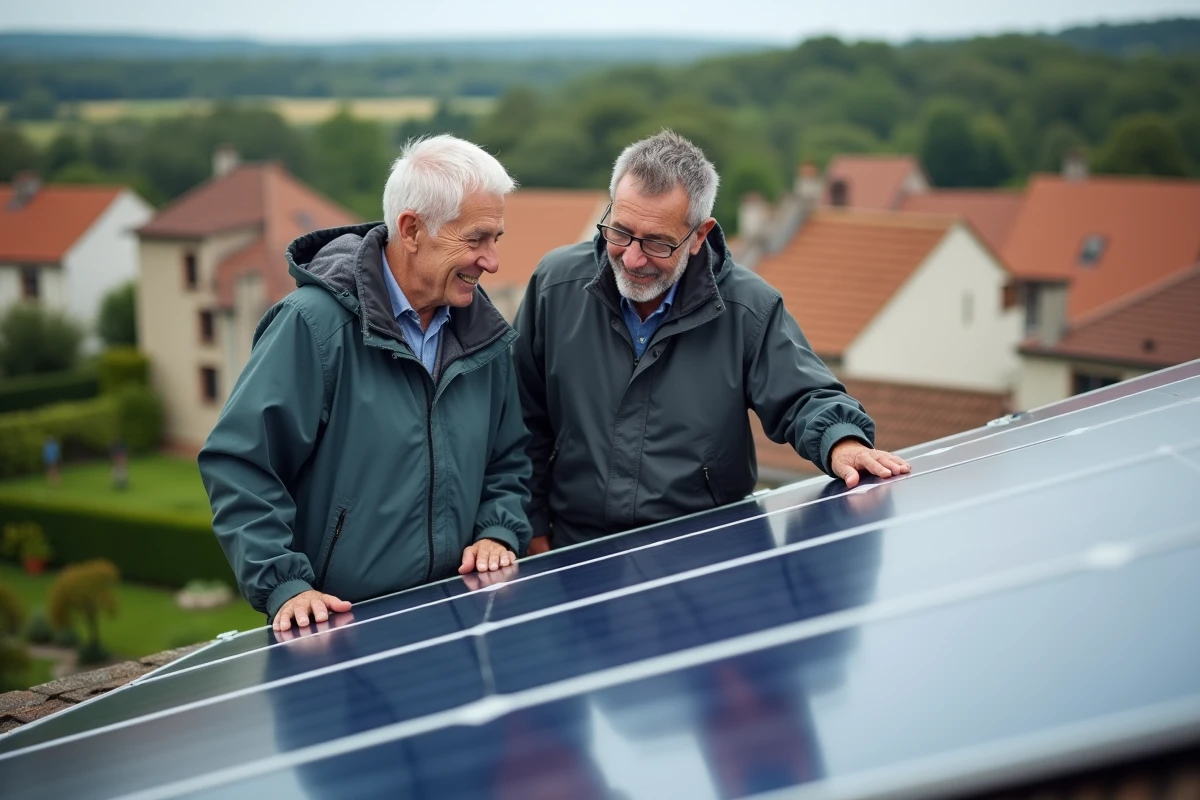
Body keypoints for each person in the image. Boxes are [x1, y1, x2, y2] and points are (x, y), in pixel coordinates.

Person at [514, 130, 910, 552]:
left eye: (657, 243)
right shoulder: (555, 286)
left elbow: (804, 395)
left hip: (704, 549)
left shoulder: (748, 308)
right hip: (576, 549)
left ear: (700, 235)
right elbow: (520, 421)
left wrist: (841, 440)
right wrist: (535, 532)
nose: (631, 257)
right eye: (620, 231)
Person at [199, 135, 533, 632]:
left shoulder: (483, 335)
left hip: (458, 622)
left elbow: (508, 461)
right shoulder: (312, 327)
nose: (492, 261)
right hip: (341, 632)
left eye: (495, 239)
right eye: (476, 239)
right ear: (412, 229)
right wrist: (284, 584)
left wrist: (498, 530)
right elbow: (240, 463)